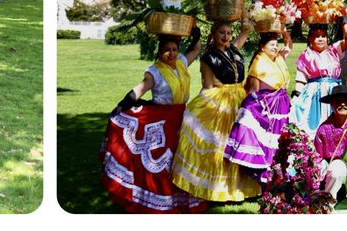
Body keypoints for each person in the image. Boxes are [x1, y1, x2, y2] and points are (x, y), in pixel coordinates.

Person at [101, 31, 207, 213]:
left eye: (174, 49)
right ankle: (159, 200)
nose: (172, 54)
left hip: (182, 117)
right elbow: (139, 90)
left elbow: (196, 49)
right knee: (164, 163)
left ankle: (182, 200)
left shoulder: (181, 63)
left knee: (182, 160)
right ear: (159, 52)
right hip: (163, 120)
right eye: (167, 50)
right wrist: (121, 105)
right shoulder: (155, 71)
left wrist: (195, 32)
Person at [171, 19, 258, 203]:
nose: (226, 36)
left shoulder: (233, 49)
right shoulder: (208, 57)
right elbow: (208, 87)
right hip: (221, 100)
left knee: (240, 143)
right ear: (213, 34)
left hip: (239, 97)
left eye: (228, 33)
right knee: (221, 144)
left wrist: (248, 20)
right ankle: (217, 189)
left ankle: (237, 188)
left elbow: (243, 34)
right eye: (221, 33)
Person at [225, 24, 293, 179]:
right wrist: (249, 109)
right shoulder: (259, 62)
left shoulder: (278, 59)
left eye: (277, 45)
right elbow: (254, 90)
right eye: (272, 45)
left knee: (280, 140)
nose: (276, 48)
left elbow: (288, 45)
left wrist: (283, 30)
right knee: (267, 139)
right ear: (262, 47)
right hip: (268, 105)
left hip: (281, 105)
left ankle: (279, 173)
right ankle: (266, 174)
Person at [290, 22, 345, 134]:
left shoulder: (334, 50)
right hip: (314, 95)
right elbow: (301, 80)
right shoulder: (306, 55)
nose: (320, 39)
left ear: (327, 38)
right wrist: (296, 97)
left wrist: (342, 21)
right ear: (310, 39)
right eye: (316, 36)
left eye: (323, 36)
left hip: (333, 93)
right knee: (315, 125)